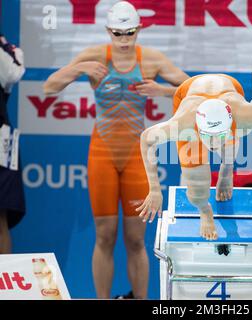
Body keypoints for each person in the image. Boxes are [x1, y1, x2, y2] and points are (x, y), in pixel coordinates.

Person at [43, 1, 188, 299]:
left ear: (139, 30)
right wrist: (79, 68)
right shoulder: (95, 57)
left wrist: (162, 91)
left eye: (130, 33)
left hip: (137, 156)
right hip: (103, 154)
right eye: (118, 34)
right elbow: (49, 87)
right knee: (105, 236)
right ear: (109, 31)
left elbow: (195, 88)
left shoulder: (151, 60)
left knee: (136, 240)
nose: (124, 41)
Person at [137, 73, 252, 241]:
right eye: (209, 136)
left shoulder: (246, 116)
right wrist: (154, 189)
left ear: (230, 123)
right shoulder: (183, 125)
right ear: (199, 129)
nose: (214, 142)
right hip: (187, 94)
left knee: (229, 148)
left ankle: (226, 169)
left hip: (230, 89)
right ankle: (205, 211)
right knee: (197, 190)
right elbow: (146, 138)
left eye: (220, 134)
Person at [0, 33, 26, 254]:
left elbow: (14, 72)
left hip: (2, 143)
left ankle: (2, 286)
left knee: (0, 218)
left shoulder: (7, 52)